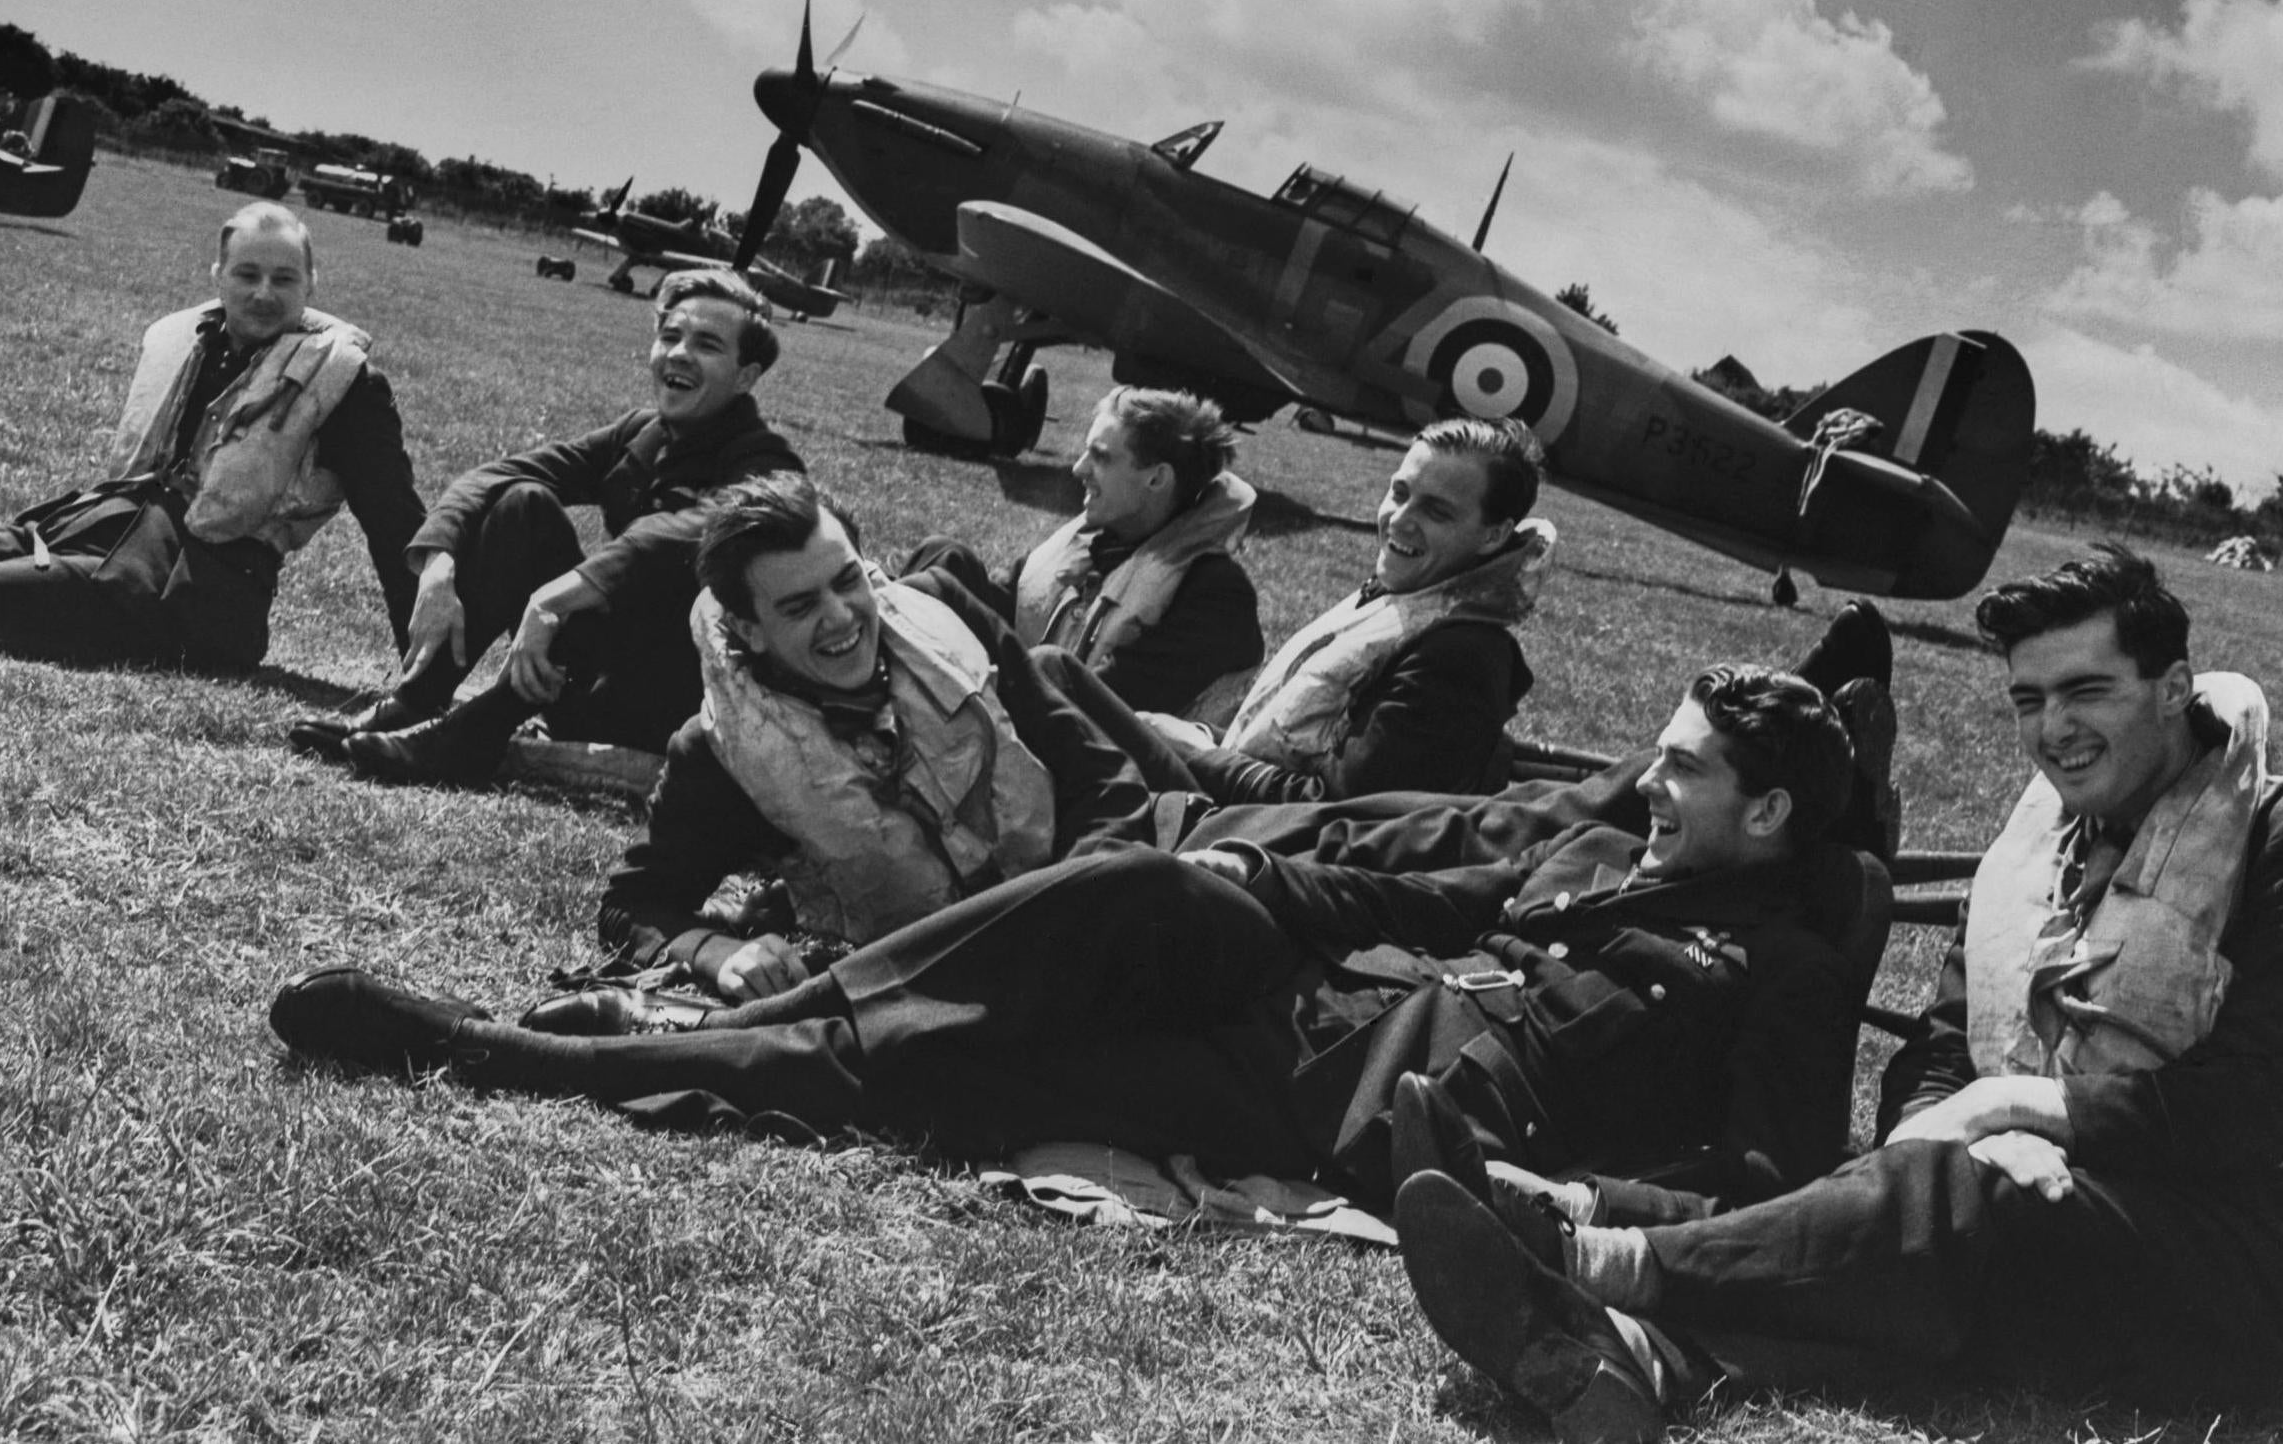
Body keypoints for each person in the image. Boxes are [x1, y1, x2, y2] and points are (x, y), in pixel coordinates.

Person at [268, 658, 1875, 1217]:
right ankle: (633, 1033)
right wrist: (1231, 894)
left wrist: (1569, 1197)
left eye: (1683, 769)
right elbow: (1401, 899)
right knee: (1137, 896)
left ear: (1774, 817)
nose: (1645, 781)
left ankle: (533, 1056)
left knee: (961, 1079)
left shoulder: (1790, 974)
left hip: (1337, 1118)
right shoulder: (1602, 848)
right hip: (1305, 996)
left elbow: (1767, 1180)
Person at [1390, 544, 2283, 1439]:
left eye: (2087, 690)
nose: (2054, 728)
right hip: (2045, 1211)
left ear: (2172, 686)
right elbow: (1940, 1044)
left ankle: (1594, 1255)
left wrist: (2008, 1112)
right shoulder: (2036, 842)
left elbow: (2251, 1105)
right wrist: (1946, 1126)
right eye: (2026, 699)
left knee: (1944, 1204)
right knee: (1926, 1211)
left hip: (2263, 1264)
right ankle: (1636, 1350)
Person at [535, 471, 1149, 1003]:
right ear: (750, 630)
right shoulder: (719, 752)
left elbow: (1100, 775)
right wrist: (716, 952)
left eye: (847, 581)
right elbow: (630, 906)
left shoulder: (943, 608)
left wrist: (1079, 904)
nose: (840, 616)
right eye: (800, 607)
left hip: (1088, 895)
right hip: (960, 974)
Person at [291, 268, 802, 783]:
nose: (678, 354)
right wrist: (437, 566)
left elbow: (682, 534)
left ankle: (471, 735)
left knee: (642, 574)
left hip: (668, 710)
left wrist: (553, 599)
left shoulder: (767, 463)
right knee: (523, 505)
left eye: (707, 345)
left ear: (745, 375)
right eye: (669, 336)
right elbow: (499, 475)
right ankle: (415, 705)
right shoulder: (642, 433)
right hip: (586, 683)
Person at [0, 202, 421, 671]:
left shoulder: (349, 388)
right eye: (247, 275)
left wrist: (428, 675)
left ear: (310, 285)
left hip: (190, 594)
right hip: (95, 530)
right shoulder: (200, 343)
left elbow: (397, 528)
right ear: (218, 278)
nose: (264, 294)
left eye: (284, 279)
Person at [1047, 414, 1556, 806]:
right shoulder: (1402, 597)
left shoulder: (1459, 655)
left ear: (1493, 534)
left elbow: (1342, 814)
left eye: (1437, 511)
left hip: (1239, 857)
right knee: (1051, 673)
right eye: (1399, 494)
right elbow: (1288, 747)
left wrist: (1198, 755)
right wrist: (1204, 739)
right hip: (1216, 807)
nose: (1399, 520)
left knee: (1047, 679)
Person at [902, 386, 1265, 719]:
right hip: (1041, 701)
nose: (1078, 470)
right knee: (944, 558)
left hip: (1109, 761)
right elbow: (1009, 603)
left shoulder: (1215, 594)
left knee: (1049, 666)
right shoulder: (1102, 540)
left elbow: (1108, 704)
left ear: (1156, 479)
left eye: (1101, 457)